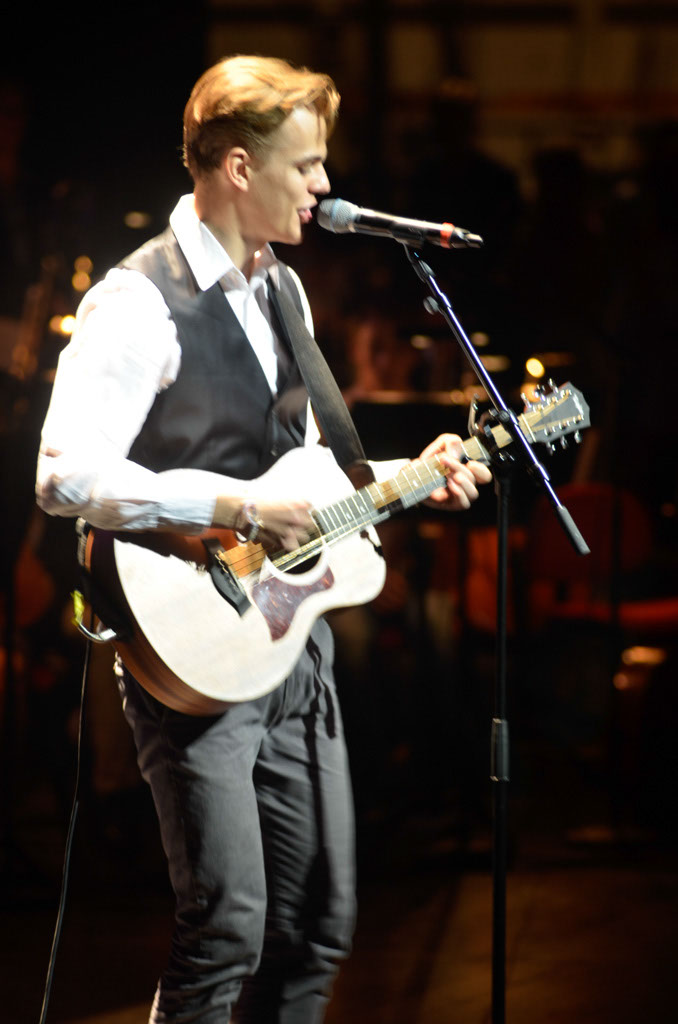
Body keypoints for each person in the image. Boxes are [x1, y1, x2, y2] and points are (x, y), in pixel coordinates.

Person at [35, 55, 492, 1024]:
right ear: (240, 167)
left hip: (290, 646)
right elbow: (63, 474)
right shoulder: (138, 300)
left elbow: (307, 471)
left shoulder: (284, 288)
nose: (325, 185)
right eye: (308, 164)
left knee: (317, 926)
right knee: (226, 932)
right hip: (191, 658)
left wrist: (413, 474)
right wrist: (237, 508)